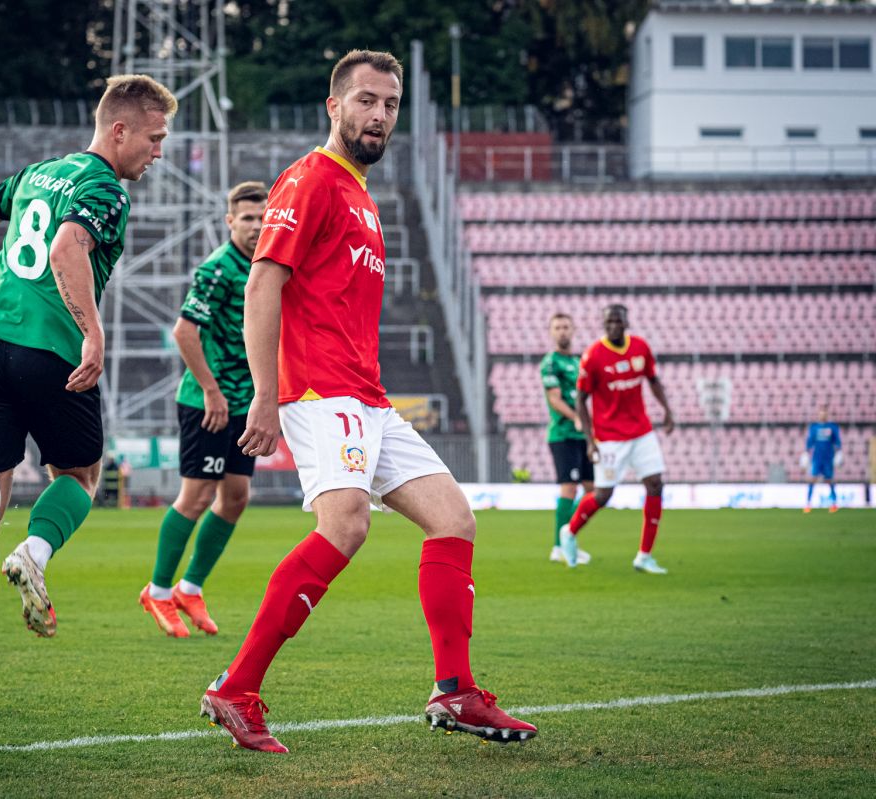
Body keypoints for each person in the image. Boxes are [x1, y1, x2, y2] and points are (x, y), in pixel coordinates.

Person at [197, 50, 537, 753]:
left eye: (389, 104)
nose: (379, 115)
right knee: (347, 524)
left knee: (454, 519)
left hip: (367, 397)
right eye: (366, 101)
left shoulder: (361, 195)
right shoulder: (311, 178)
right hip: (320, 389)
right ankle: (237, 687)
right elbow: (263, 284)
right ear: (334, 106)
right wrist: (265, 394)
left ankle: (456, 690)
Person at [0, 74, 177, 700]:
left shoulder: (40, 171)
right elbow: (67, 250)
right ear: (119, 130)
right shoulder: (105, 188)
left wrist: (27, 211)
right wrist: (93, 333)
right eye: (153, 139)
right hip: (49, 351)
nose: (158, 152)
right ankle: (36, 554)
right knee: (80, 476)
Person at [140, 181, 268, 638]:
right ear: (230, 221)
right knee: (196, 497)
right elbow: (184, 331)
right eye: (247, 218)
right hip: (208, 403)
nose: (256, 226)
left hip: (244, 404)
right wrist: (212, 392)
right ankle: (157, 591)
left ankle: (189, 589)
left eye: (263, 217)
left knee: (235, 498)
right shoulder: (217, 269)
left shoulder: (265, 268)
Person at [559, 304, 675, 575]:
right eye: (608, 322)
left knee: (655, 484)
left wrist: (667, 410)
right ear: (603, 325)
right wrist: (590, 440)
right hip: (609, 437)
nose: (613, 326)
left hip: (641, 431)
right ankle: (569, 531)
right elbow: (581, 399)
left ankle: (644, 556)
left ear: (625, 322)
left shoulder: (641, 348)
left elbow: (653, 380)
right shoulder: (593, 356)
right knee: (603, 495)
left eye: (617, 321)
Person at [539, 313, 592, 564]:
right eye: (557, 327)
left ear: (573, 330)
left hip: (585, 435)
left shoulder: (581, 361)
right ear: (551, 332)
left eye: (566, 327)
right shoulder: (551, 362)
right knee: (569, 488)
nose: (562, 331)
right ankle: (559, 546)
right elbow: (555, 399)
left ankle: (569, 536)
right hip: (563, 435)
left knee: (593, 491)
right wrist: (576, 417)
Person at [804, 405, 842, 513]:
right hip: (817, 458)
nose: (822, 415)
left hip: (828, 458)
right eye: (821, 413)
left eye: (824, 413)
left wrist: (839, 453)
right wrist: (806, 452)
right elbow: (810, 441)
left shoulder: (832, 427)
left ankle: (834, 503)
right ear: (818, 414)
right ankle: (808, 503)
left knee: (829, 480)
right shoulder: (814, 427)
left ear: (827, 414)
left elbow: (837, 441)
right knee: (812, 479)